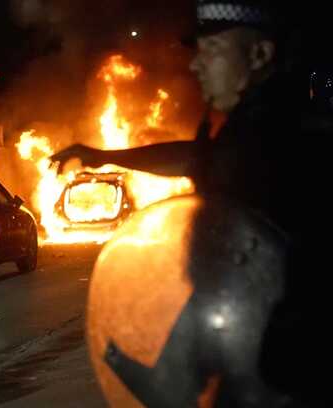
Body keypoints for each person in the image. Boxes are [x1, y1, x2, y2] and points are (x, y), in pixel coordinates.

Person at [56, 0, 331, 405]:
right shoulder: (246, 129)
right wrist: (105, 156)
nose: (196, 65)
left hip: (278, 370)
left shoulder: (288, 141)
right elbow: (193, 158)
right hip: (240, 349)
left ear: (259, 54)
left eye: (213, 50)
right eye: (197, 51)